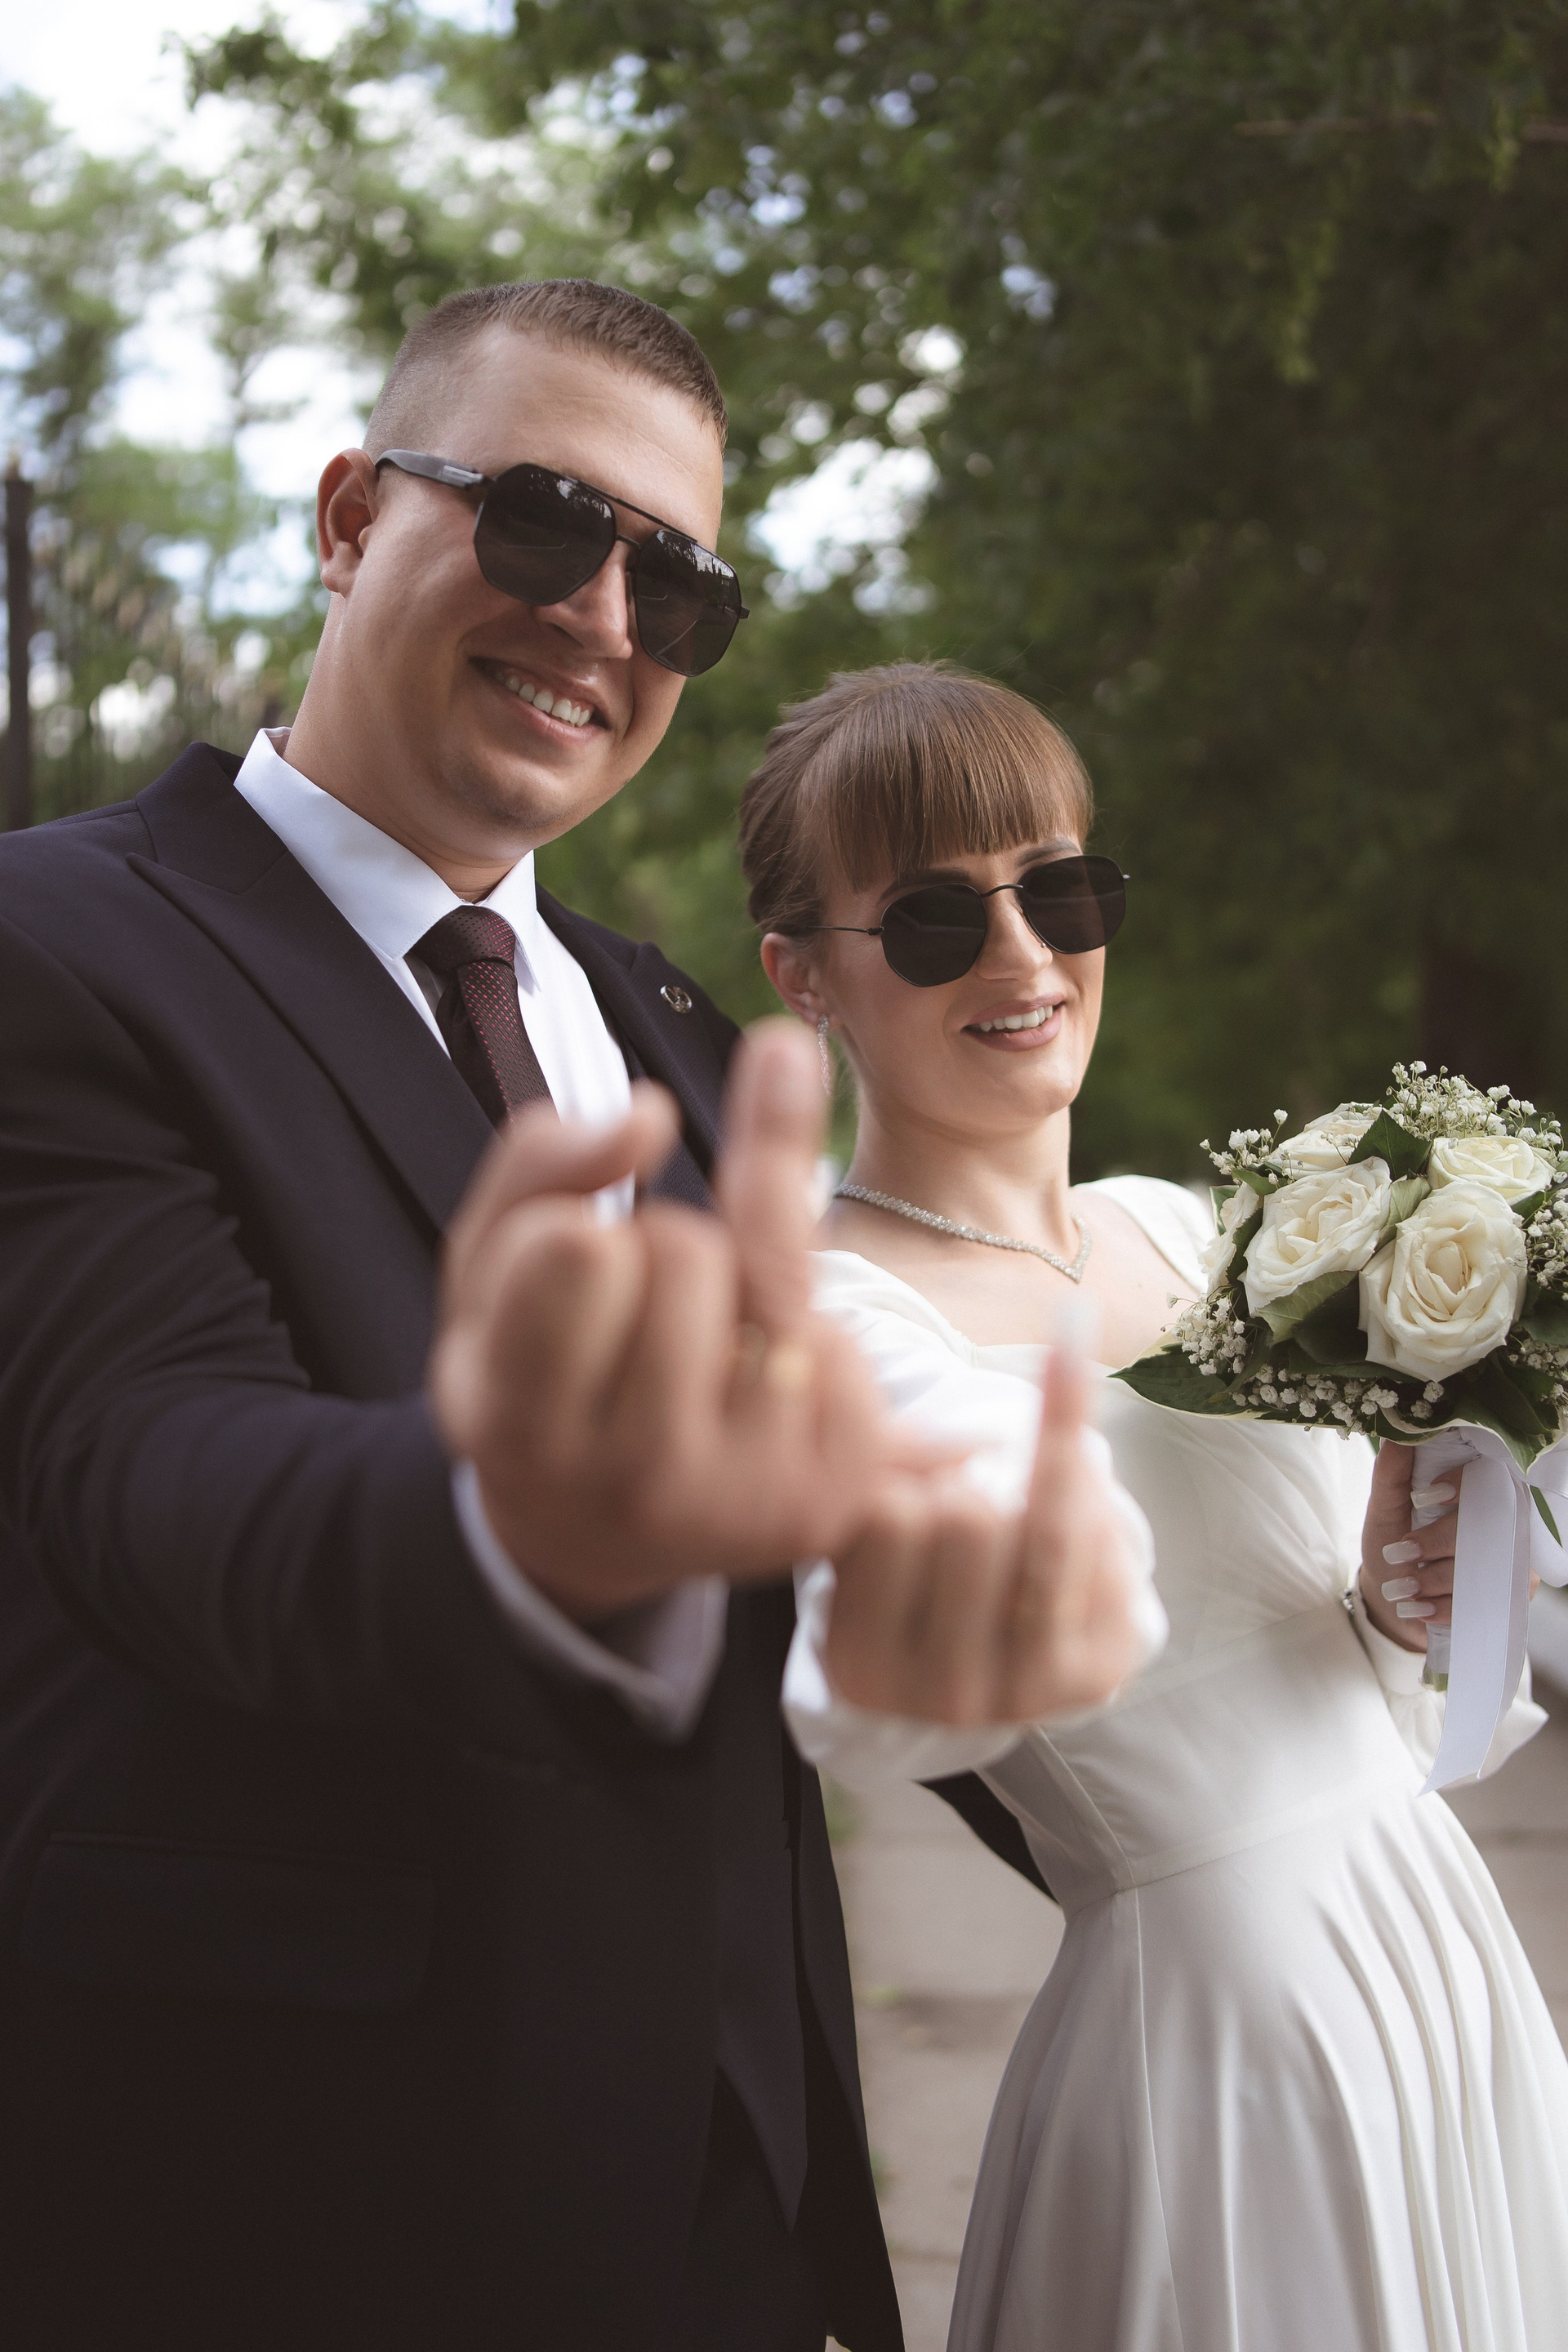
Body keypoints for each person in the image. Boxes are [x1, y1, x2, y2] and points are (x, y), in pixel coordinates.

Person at [0, 287, 1157, 2352]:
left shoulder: (676, 1033)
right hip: (291, 2204)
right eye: (543, 523)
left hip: (733, 2201)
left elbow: (793, 1570)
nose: (607, 620)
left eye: (679, 589)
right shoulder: (58, 942)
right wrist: (510, 1520)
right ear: (351, 517)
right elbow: (148, 1465)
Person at [747, 660, 1568, 2352]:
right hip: (1224, 2051)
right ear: (802, 974)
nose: (1025, 957)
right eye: (932, 919)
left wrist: (1398, 1601)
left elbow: (1386, 1690)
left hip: (1438, 1961)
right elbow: (922, 1632)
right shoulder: (832, 1315)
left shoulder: (1193, 1232)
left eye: (1059, 890)